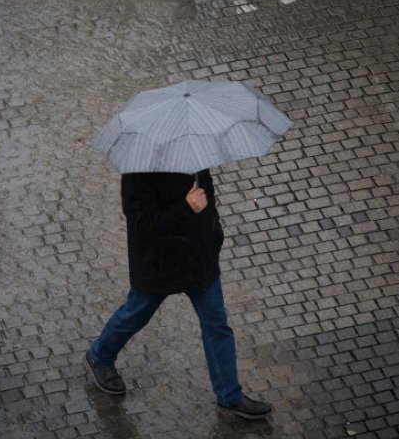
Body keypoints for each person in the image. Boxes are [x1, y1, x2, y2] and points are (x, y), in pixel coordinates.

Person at [85, 170, 272, 420]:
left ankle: (230, 395)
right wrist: (186, 207)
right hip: (159, 263)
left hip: (199, 259)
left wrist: (213, 231)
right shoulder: (138, 173)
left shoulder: (192, 153)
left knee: (217, 324)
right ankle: (100, 355)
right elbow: (144, 224)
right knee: (136, 313)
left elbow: (207, 191)